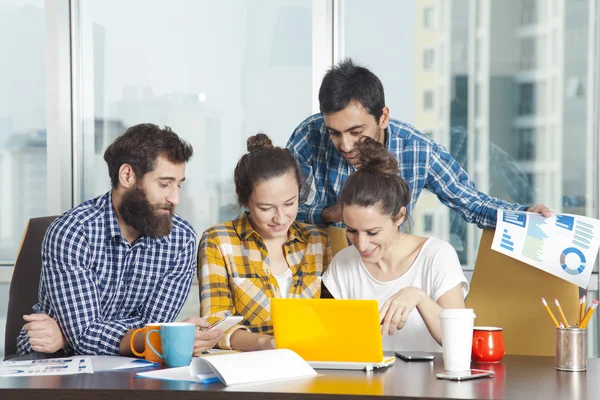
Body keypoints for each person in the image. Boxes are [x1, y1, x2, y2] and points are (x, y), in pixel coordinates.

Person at [16, 124, 222, 356]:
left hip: (131, 365)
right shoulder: (72, 232)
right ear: (127, 176)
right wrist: (156, 336)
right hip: (53, 360)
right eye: (164, 184)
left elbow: (151, 330)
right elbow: (90, 336)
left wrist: (67, 336)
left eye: (179, 184)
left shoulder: (181, 239)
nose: (175, 198)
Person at [286, 58, 550, 228]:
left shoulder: (419, 150)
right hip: (321, 270)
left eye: (356, 132)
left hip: (385, 273)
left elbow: (472, 203)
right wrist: (330, 214)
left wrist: (524, 214)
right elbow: (280, 212)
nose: (344, 145)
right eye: (334, 133)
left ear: (383, 117)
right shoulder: (310, 134)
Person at [322, 137, 469, 352]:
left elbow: (461, 341)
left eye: (373, 232)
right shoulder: (343, 263)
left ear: (399, 217)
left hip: (430, 384)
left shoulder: (437, 256)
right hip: (364, 383)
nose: (361, 245)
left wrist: (418, 296)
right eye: (351, 230)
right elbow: (331, 340)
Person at [199, 133, 331, 351]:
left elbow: (334, 316)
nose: (280, 218)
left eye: (290, 203)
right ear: (244, 200)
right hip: (251, 367)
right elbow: (215, 324)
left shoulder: (317, 241)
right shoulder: (219, 241)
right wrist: (268, 343)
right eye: (266, 208)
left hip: (312, 362)